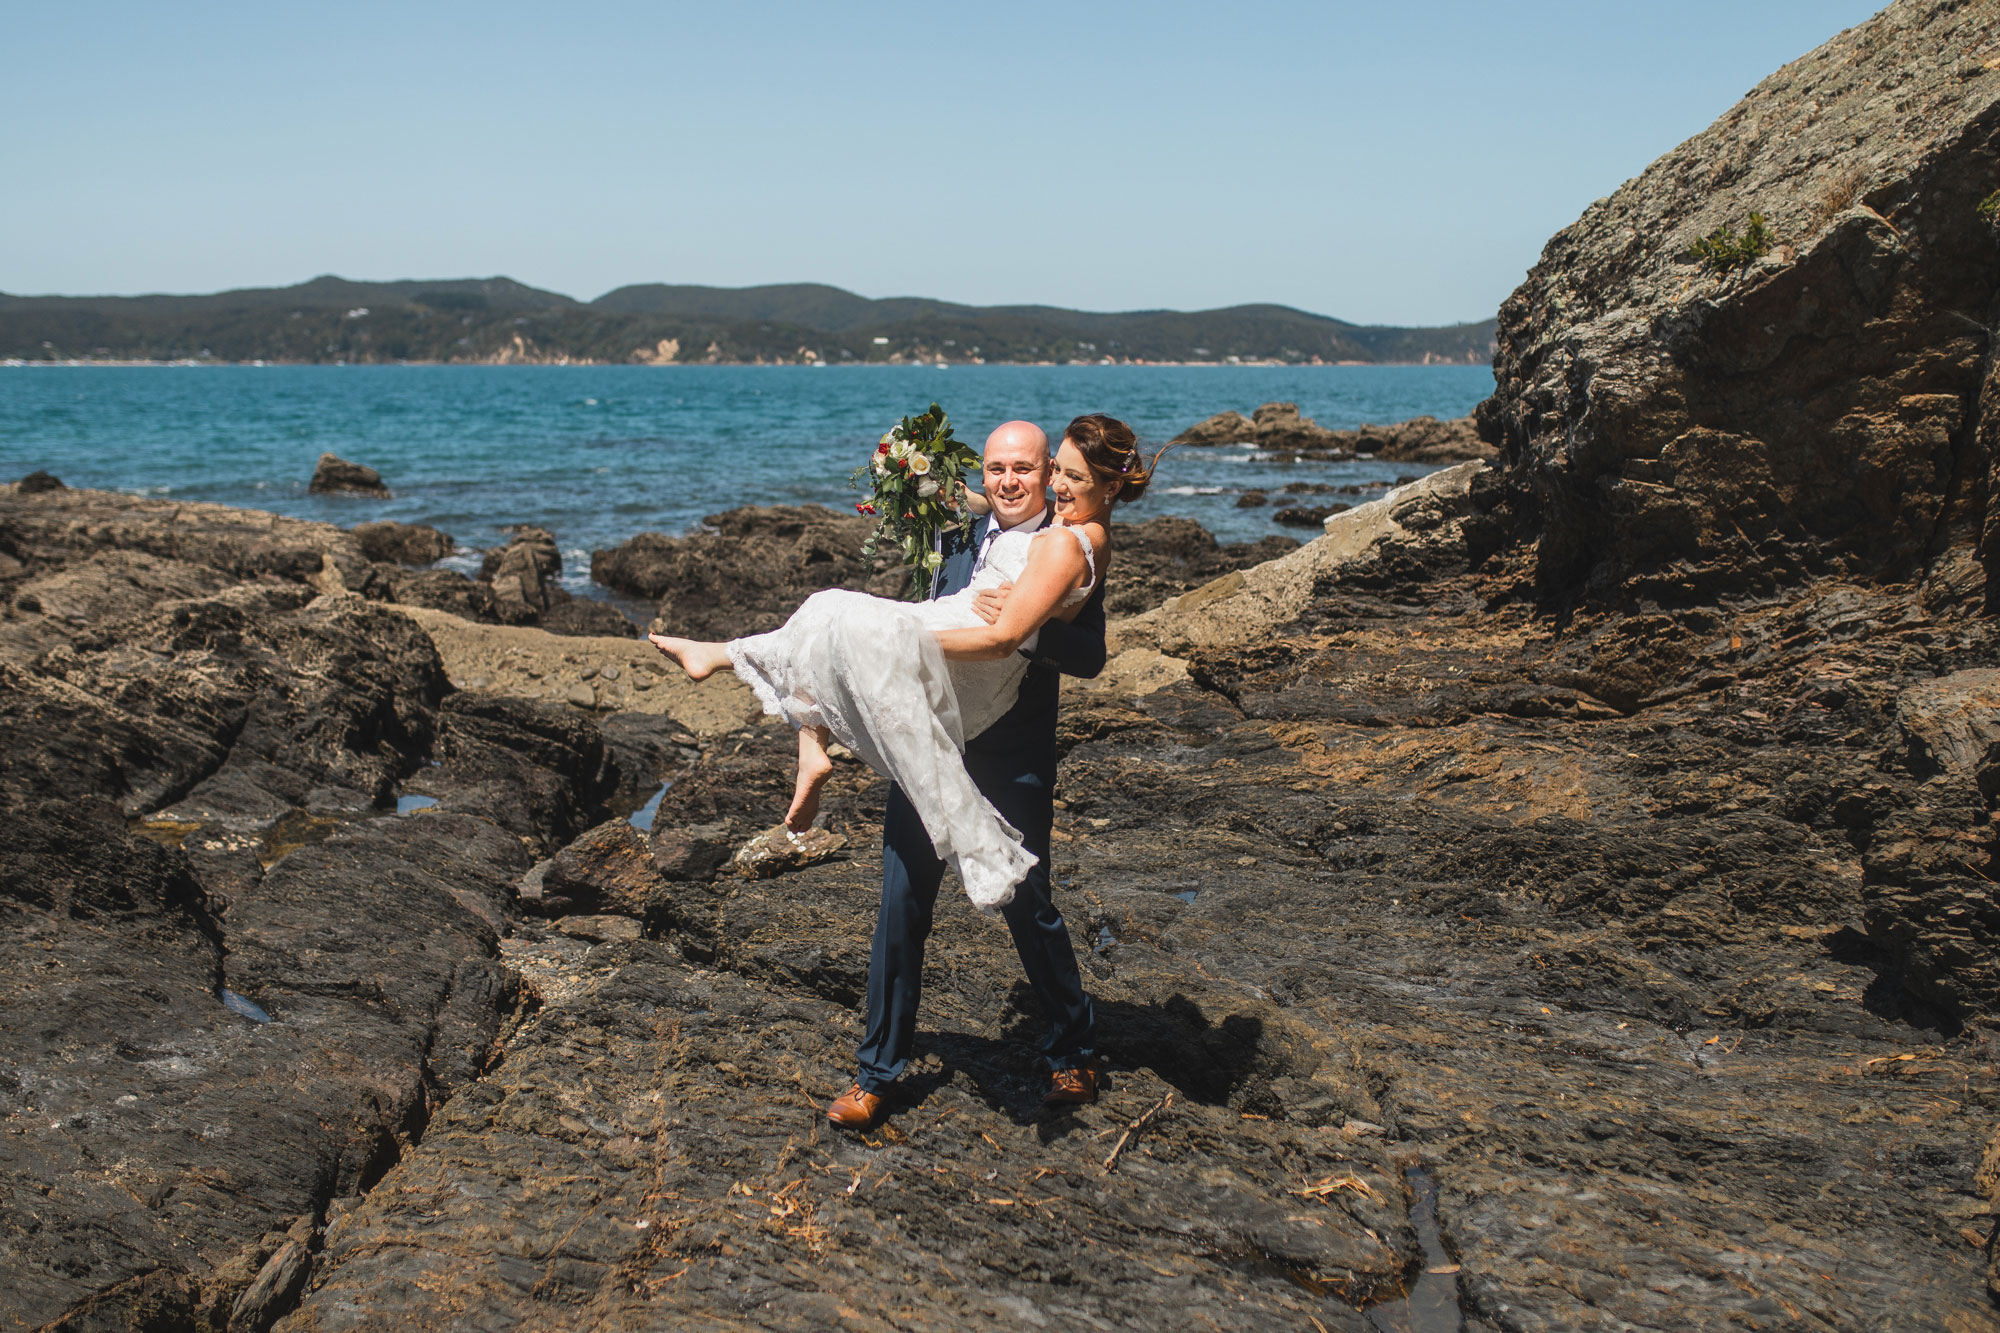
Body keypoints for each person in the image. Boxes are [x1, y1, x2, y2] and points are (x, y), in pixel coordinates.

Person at [650, 414, 1156, 1124]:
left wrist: (1025, 631)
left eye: (1036, 471)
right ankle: (876, 1072)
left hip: (1010, 745)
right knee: (900, 901)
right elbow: (917, 622)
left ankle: (1071, 1047)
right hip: (934, 730)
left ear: (1052, 475)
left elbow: (1090, 654)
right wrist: (912, 474)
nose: (1013, 481)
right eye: (996, 468)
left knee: (1027, 900)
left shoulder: (1064, 543)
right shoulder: (960, 533)